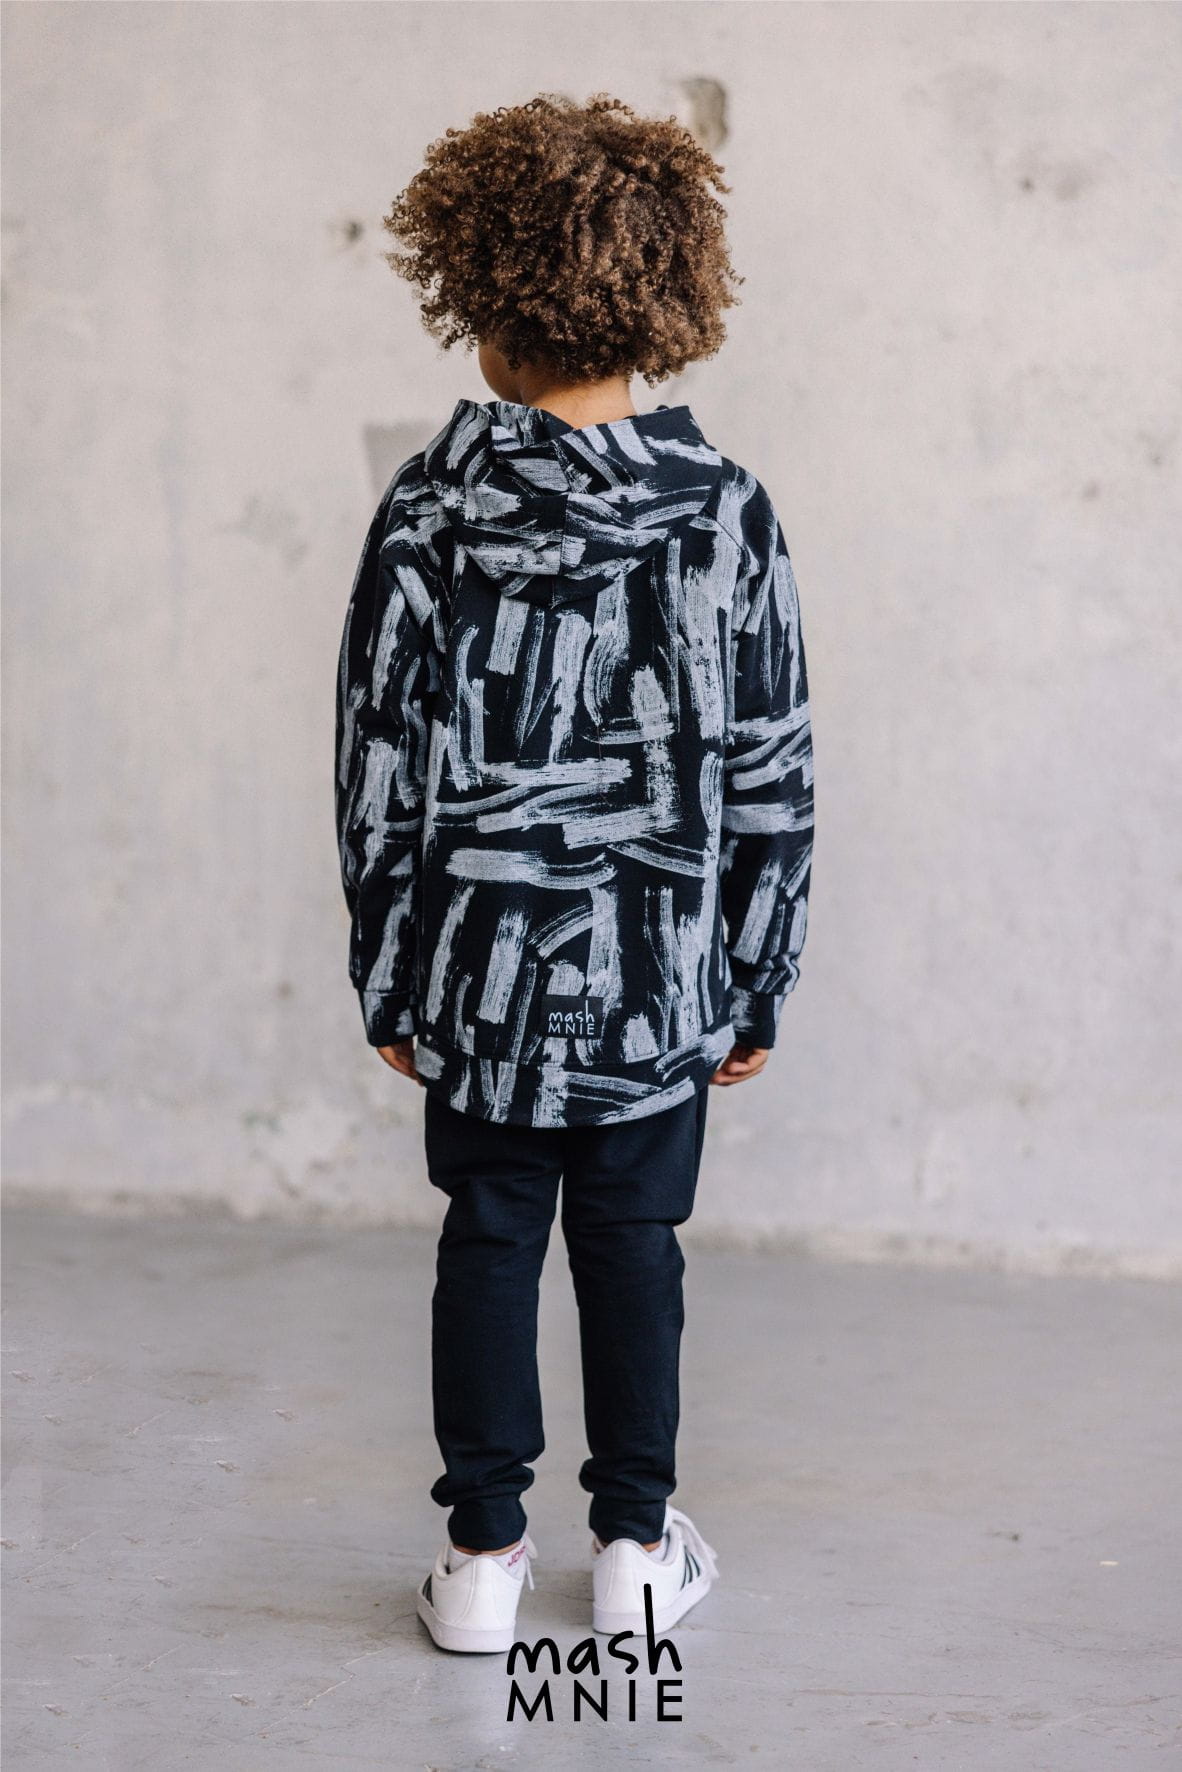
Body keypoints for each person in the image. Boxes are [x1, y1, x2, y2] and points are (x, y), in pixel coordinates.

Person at [334, 92, 814, 1655]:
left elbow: (377, 763)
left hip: (477, 966)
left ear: (479, 301)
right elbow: (770, 762)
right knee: (631, 1250)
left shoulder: (429, 508)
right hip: (658, 970)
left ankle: (480, 1558)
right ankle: (631, 1551)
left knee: (486, 1241)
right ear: (661, 300)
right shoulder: (723, 513)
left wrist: (388, 971)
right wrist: (754, 971)